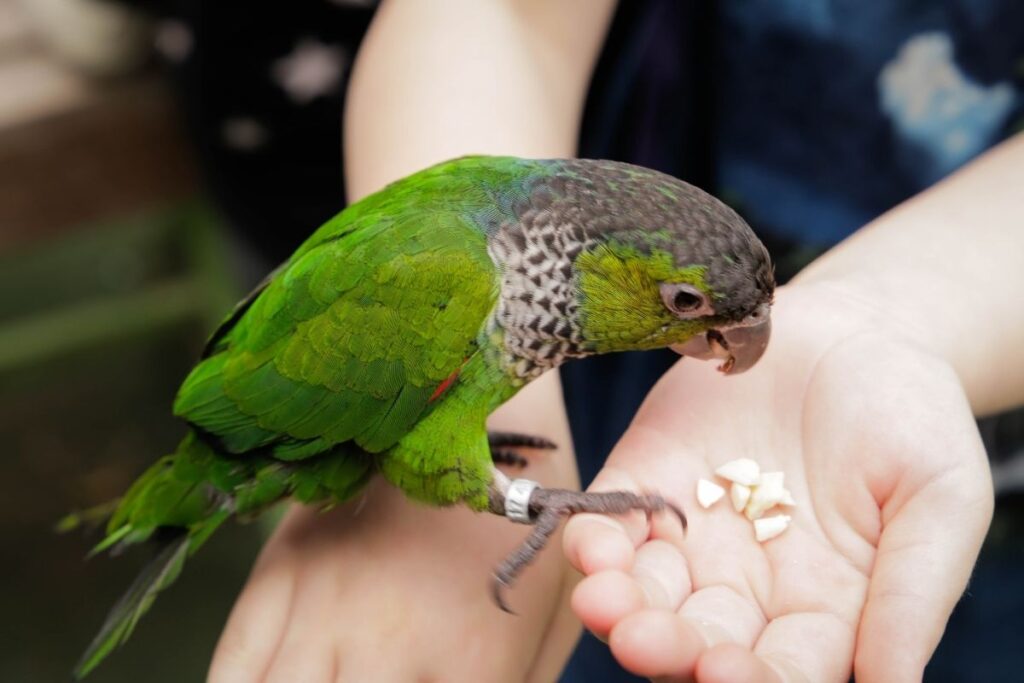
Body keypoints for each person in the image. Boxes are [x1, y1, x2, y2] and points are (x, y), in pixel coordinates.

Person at [131, 1, 1023, 680]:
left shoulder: (532, 293)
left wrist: (884, 323)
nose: (724, 339)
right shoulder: (450, 283)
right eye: (683, 303)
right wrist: (513, 501)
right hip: (596, 471)